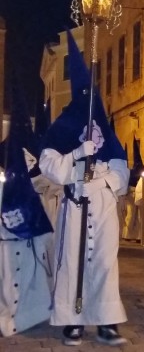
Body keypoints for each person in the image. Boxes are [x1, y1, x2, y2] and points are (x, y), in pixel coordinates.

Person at [39, 30, 128, 346]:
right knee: (72, 261)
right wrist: (77, 154)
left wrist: (103, 181)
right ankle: (72, 321)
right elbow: (48, 164)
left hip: (101, 204)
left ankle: (106, 322)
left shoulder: (104, 125)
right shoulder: (62, 126)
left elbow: (120, 168)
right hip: (75, 203)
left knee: (105, 261)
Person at [0, 87, 54, 337]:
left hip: (31, 224)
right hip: (5, 229)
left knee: (31, 271)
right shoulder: (5, 153)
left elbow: (49, 182)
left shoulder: (36, 157)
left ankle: (29, 312)